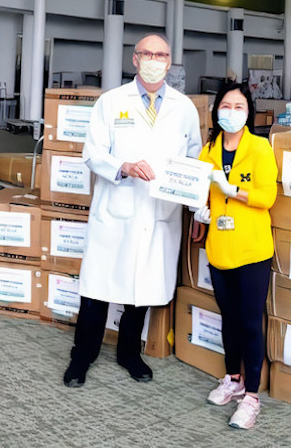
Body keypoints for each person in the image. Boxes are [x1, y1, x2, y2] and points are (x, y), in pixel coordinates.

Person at [63, 34, 202, 387]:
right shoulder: (111, 102)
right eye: (147, 53)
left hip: (160, 213)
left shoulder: (183, 108)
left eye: (162, 54)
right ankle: (81, 358)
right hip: (117, 209)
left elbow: (195, 161)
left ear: (170, 62)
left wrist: (197, 207)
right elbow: (92, 154)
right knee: (97, 290)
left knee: (141, 290)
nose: (154, 59)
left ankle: (129, 353)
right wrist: (123, 166)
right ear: (135, 59)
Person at [192, 82, 278, 429]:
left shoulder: (259, 148)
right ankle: (232, 379)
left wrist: (235, 191)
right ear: (216, 112)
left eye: (238, 106)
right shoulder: (209, 149)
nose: (231, 112)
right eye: (225, 106)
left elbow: (267, 195)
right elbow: (198, 186)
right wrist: (200, 208)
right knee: (228, 318)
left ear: (248, 111)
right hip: (221, 249)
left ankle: (252, 397)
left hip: (252, 250)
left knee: (249, 322)